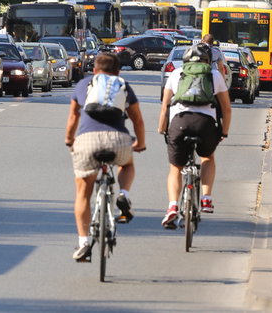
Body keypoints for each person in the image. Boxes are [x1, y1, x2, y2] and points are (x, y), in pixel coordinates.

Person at [65, 52, 146, 262]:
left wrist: (69, 140)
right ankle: (124, 194)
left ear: (94, 70)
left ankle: (84, 242)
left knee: (83, 193)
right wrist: (140, 143)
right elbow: (137, 119)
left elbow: (74, 116)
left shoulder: (84, 84)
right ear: (118, 71)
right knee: (127, 165)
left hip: (87, 141)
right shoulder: (123, 85)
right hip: (118, 140)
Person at [157, 42, 232, 229]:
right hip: (205, 124)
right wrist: (224, 131)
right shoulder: (214, 75)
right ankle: (206, 198)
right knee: (207, 157)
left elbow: (165, 105)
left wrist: (162, 128)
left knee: (175, 168)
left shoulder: (176, 73)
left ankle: (173, 206)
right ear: (208, 60)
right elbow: (226, 108)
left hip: (179, 122)